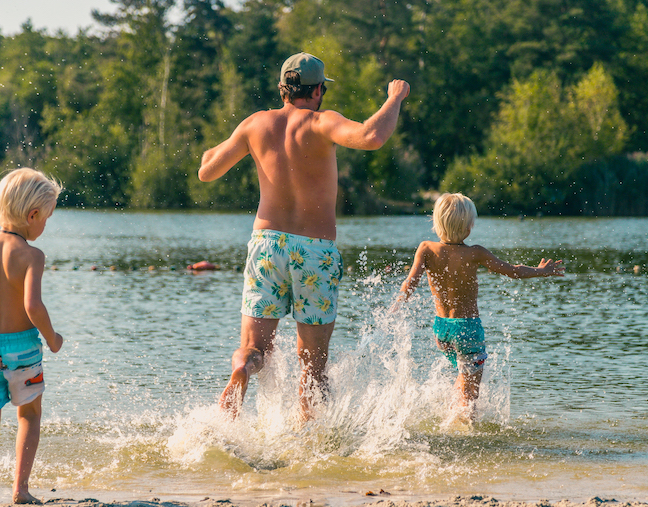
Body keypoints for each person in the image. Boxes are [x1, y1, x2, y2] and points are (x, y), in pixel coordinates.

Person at [198, 52, 410, 421]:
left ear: (282, 88)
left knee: (253, 347)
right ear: (318, 91)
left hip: (266, 246)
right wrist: (394, 98)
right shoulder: (321, 122)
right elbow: (372, 136)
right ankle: (310, 443)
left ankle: (243, 369)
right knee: (313, 366)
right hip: (315, 251)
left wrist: (211, 151)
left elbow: (206, 172)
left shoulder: (255, 124)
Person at [393, 193, 563, 420]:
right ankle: (465, 432)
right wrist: (541, 271)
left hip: (441, 331)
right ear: (469, 227)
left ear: (436, 223)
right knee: (471, 393)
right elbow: (512, 270)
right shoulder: (475, 253)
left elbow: (410, 282)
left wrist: (397, 304)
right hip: (468, 330)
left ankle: (451, 418)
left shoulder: (426, 248)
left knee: (463, 377)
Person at [0, 168, 64, 504]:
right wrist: (53, 338)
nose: (45, 226)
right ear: (32, 215)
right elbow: (33, 306)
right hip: (22, 350)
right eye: (47, 218)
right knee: (28, 414)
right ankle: (20, 490)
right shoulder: (31, 255)